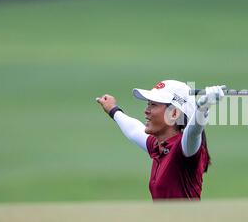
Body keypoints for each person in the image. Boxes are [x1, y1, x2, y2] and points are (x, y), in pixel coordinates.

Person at [96, 80, 224, 201]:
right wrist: (113, 109)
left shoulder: (183, 149)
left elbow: (194, 133)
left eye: (153, 105)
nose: (146, 111)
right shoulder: (158, 145)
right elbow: (134, 130)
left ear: (174, 114)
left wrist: (203, 109)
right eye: (148, 104)